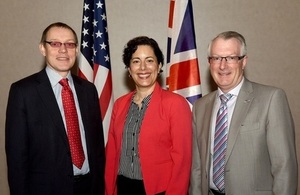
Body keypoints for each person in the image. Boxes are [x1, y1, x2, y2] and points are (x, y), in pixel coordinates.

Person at [189, 30, 297, 195]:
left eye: (231, 58)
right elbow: (197, 168)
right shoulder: (200, 106)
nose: (222, 65)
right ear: (209, 62)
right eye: (216, 58)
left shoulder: (271, 99)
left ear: (244, 61)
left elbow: (284, 166)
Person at [5, 22, 105, 195]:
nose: (63, 50)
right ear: (42, 48)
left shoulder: (89, 90)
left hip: (89, 187)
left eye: (70, 44)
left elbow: (97, 148)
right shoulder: (23, 92)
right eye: (55, 43)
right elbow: (16, 158)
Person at [105, 36, 192, 195]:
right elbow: (112, 152)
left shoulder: (176, 104)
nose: (143, 67)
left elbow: (183, 161)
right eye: (136, 61)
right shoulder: (119, 104)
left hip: (160, 190)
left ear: (159, 66)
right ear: (129, 69)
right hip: (123, 187)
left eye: (149, 60)